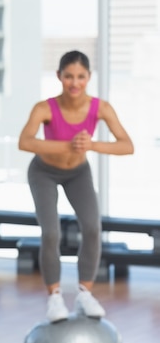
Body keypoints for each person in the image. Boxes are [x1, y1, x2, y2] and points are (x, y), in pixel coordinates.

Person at [18, 50, 134, 323]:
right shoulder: (44, 108)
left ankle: (84, 294)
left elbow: (127, 145)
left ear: (88, 78)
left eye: (80, 77)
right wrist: (68, 145)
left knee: (93, 228)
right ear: (59, 76)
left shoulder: (100, 108)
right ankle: (55, 297)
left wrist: (91, 145)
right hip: (43, 172)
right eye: (68, 76)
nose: (74, 82)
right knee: (51, 232)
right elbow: (25, 142)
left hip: (78, 173)